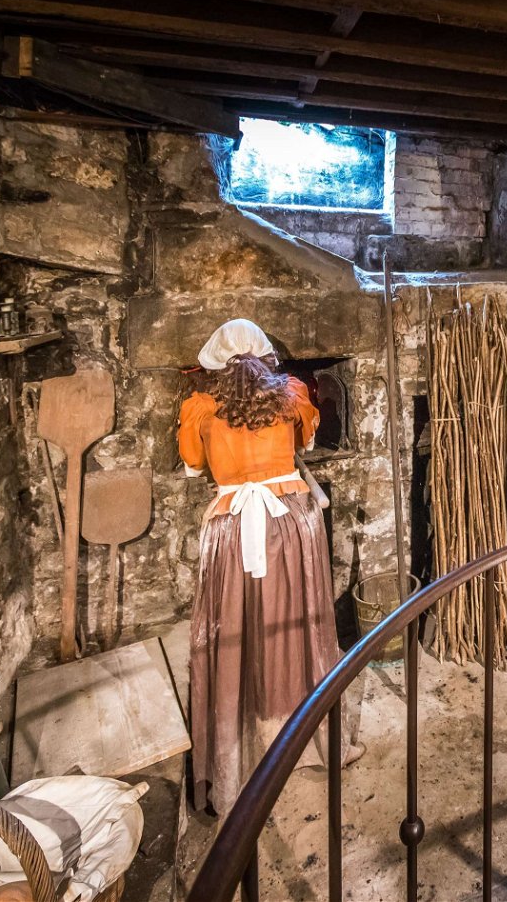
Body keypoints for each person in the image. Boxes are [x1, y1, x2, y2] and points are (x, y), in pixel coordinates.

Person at [179, 319, 361, 816]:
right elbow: (304, 446)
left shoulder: (198, 408)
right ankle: (308, 740)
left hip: (231, 526)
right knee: (301, 626)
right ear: (266, 355)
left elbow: (194, 466)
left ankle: (239, 757)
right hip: (291, 523)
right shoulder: (294, 394)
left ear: (215, 361)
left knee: (233, 631)